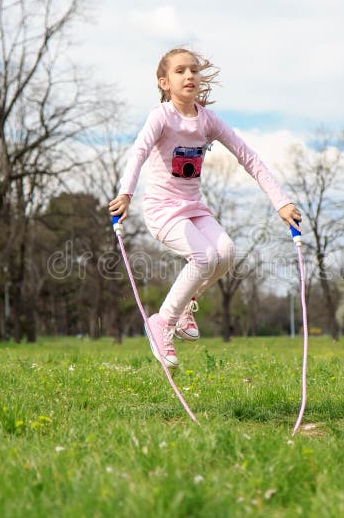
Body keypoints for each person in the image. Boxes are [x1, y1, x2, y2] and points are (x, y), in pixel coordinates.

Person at [108, 48, 301, 368]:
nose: (189, 76)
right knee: (204, 256)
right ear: (164, 82)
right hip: (161, 209)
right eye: (180, 71)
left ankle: (185, 307)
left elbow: (248, 157)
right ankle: (162, 324)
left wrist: (281, 202)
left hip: (193, 206)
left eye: (194, 71)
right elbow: (139, 151)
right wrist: (126, 193)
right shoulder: (161, 116)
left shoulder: (208, 120)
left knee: (225, 253)